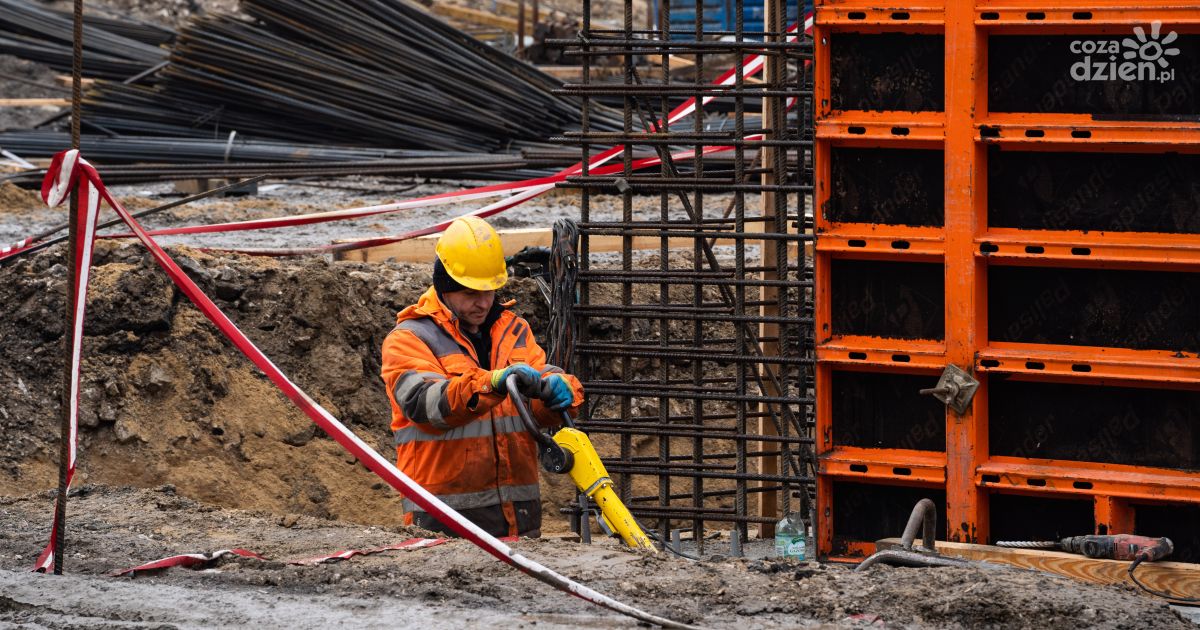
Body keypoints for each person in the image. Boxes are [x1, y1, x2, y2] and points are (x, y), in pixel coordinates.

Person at [381, 216, 584, 538]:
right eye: (471, 293)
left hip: (520, 516)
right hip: (444, 522)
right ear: (445, 287)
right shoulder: (410, 339)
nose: (483, 302)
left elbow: (532, 410)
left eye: (490, 291)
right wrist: (491, 383)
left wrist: (559, 390)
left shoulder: (514, 330)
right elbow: (424, 406)